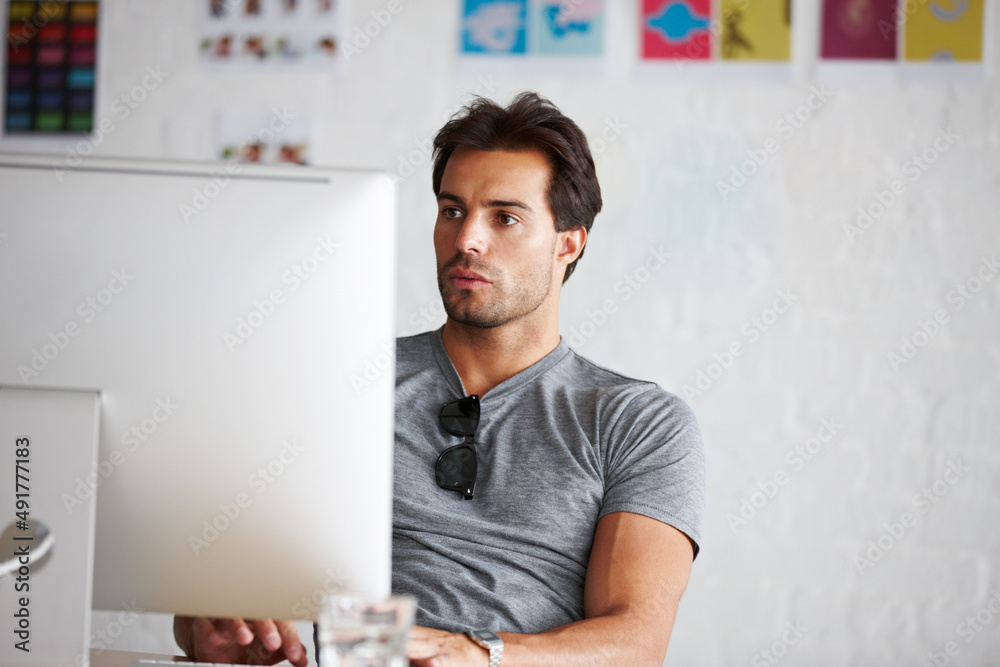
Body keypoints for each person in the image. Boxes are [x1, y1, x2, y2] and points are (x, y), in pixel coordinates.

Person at [175, 91, 705, 666]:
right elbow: (223, 591)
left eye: (504, 217)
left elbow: (636, 644)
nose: (467, 239)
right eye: (452, 210)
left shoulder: (636, 421)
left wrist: (476, 654)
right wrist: (216, 628)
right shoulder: (344, 382)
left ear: (568, 242)